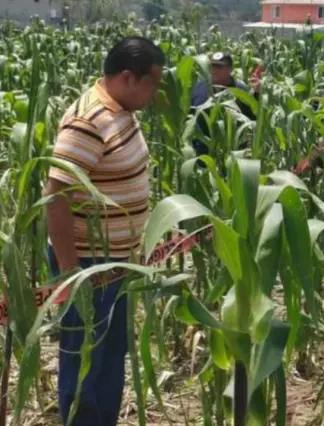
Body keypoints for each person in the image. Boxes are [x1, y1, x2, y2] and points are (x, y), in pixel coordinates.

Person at [43, 36, 165, 426]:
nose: (156, 91)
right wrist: (69, 270)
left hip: (117, 261)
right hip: (89, 263)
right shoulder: (88, 120)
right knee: (84, 360)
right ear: (128, 77)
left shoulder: (122, 110)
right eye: (153, 82)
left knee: (111, 353)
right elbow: (56, 197)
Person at [190, 51, 261, 157]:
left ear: (230, 69)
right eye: (212, 66)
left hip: (233, 152)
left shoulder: (241, 90)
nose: (214, 71)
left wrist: (256, 94)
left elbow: (254, 117)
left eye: (219, 67)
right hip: (202, 150)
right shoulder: (198, 89)